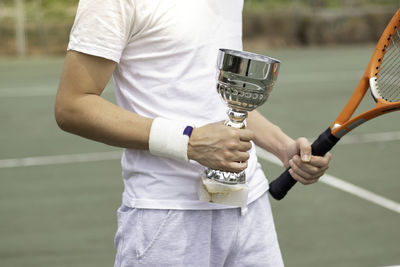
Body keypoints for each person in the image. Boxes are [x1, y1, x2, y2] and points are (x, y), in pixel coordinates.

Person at [55, 1, 331, 266]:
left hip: (250, 207)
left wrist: (282, 146)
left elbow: (220, 98)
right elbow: (73, 106)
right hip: (167, 216)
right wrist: (189, 141)